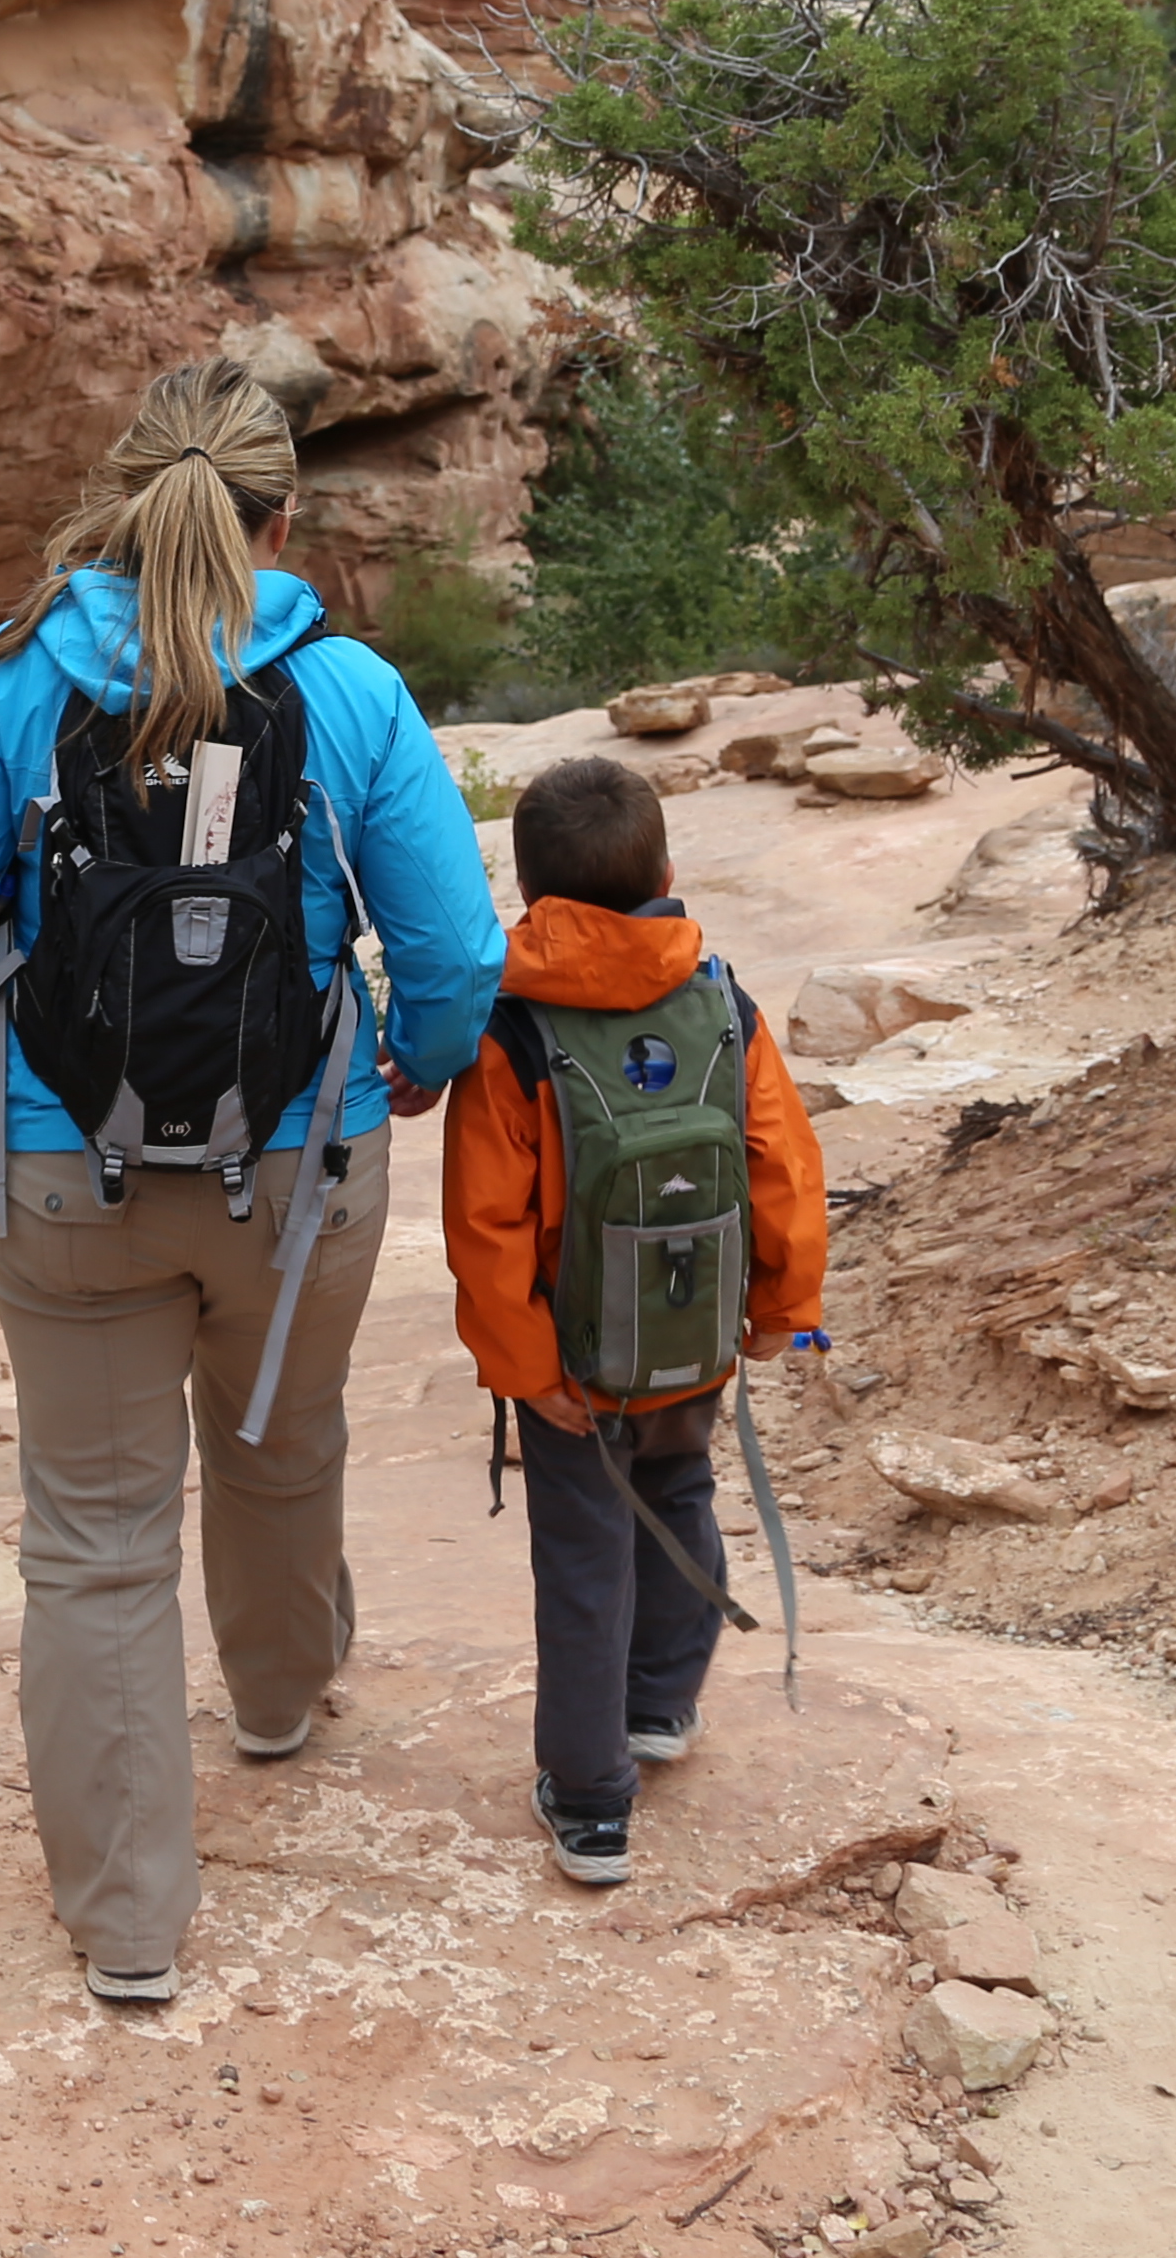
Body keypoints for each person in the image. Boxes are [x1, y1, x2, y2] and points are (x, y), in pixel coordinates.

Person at [0, 363, 499, 2009]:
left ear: (121, 500)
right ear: (283, 520)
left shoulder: (18, 681)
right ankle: (279, 1696)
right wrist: (416, 1059)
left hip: (61, 1168)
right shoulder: (347, 685)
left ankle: (131, 1922)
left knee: (91, 1538)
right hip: (302, 1159)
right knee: (279, 1429)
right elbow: (448, 947)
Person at [440, 750, 826, 1889]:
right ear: (666, 867)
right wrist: (780, 1310)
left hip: (573, 1363)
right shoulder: (721, 997)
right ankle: (659, 1707)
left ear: (530, 896)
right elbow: (783, 1169)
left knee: (583, 1553)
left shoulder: (514, 1031)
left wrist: (525, 1368)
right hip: (692, 1336)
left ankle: (594, 1799)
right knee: (682, 1493)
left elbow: (487, 1221)